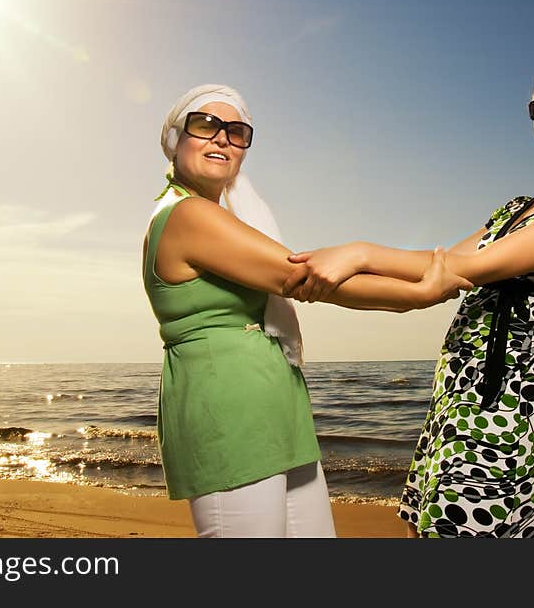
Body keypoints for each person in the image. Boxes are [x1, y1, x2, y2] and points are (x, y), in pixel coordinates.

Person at [283, 63, 534, 537]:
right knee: (427, 530)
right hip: (455, 394)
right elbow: (437, 263)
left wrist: (358, 253)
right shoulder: (517, 207)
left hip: (504, 403)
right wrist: (322, 281)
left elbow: (464, 270)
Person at [143, 83, 472, 538]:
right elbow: (302, 277)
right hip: (227, 414)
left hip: (278, 408)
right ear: (177, 139)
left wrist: (443, 266)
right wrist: (420, 292)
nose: (222, 138)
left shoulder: (222, 219)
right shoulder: (188, 216)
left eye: (236, 132)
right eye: (206, 125)